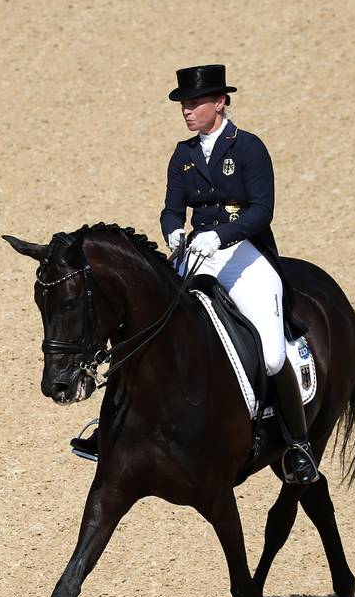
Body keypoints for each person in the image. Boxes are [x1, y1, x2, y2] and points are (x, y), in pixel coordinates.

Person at [73, 64, 319, 486]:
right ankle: (111, 429)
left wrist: (221, 235)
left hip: (245, 256)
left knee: (274, 354)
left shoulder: (249, 149)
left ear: (220, 102)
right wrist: (172, 228)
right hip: (196, 256)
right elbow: (173, 206)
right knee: (146, 328)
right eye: (183, 104)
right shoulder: (183, 155)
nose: (187, 111)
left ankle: (297, 444)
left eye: (194, 103)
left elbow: (262, 209)